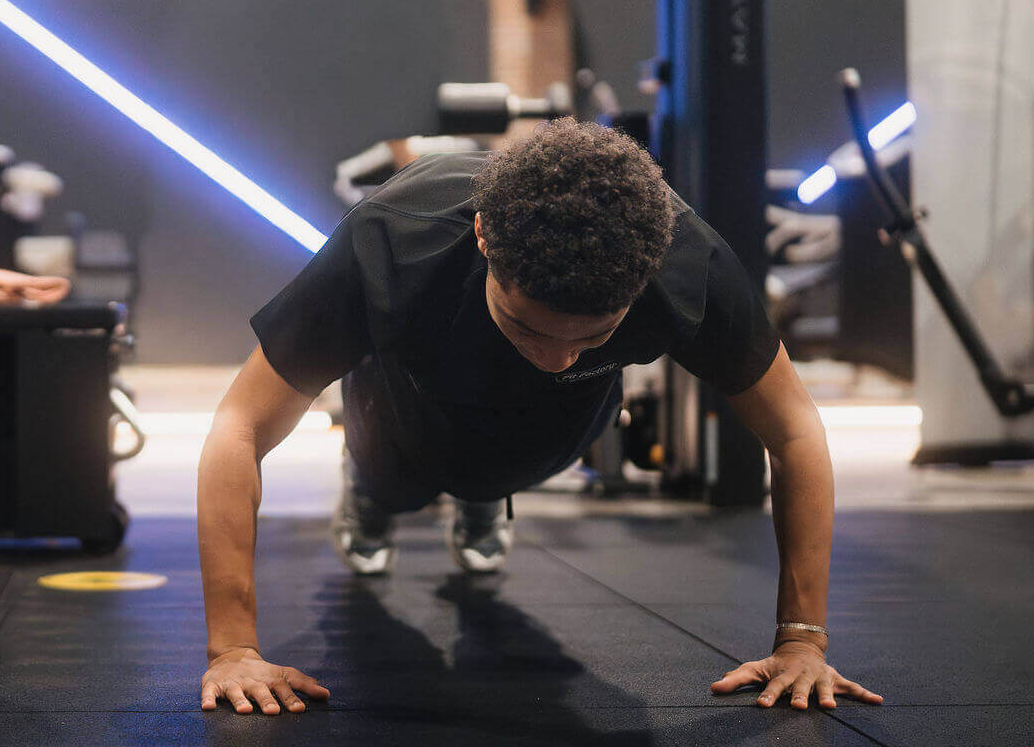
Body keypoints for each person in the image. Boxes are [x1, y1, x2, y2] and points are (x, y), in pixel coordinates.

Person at [196, 119, 881, 716]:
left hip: (561, 427)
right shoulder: (394, 239)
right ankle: (369, 494)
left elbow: (794, 428)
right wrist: (233, 648)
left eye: (589, 334)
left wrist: (801, 639)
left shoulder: (686, 263)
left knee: (505, 461)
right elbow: (239, 424)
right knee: (393, 481)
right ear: (484, 236)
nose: (554, 357)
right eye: (530, 327)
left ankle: (484, 494)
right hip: (408, 399)